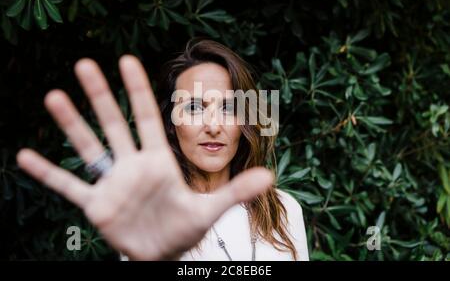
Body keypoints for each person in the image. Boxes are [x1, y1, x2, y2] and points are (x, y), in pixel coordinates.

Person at [16, 39, 309, 261]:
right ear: (171, 123)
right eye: (194, 107)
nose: (213, 125)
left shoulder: (283, 210)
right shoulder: (151, 214)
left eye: (229, 107)